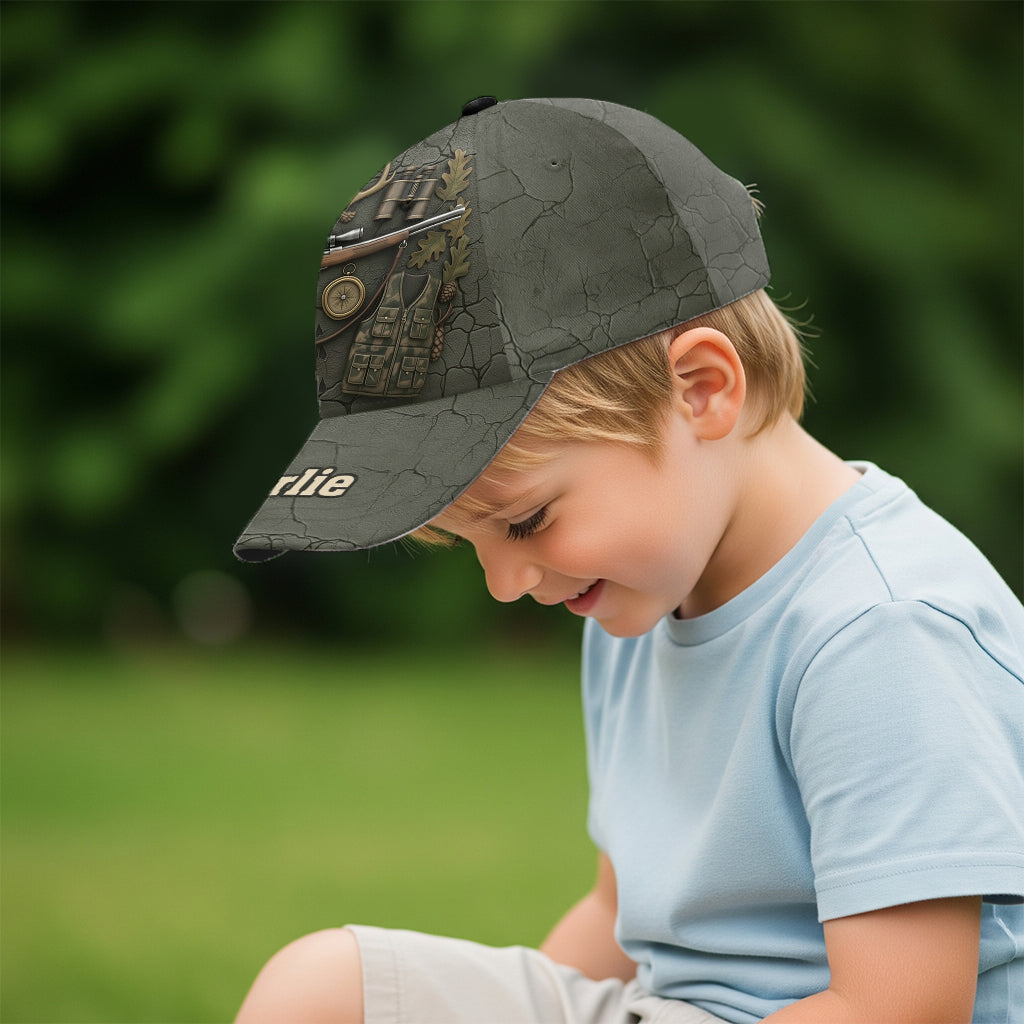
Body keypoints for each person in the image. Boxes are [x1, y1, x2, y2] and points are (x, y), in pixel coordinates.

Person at [232, 98, 1024, 1023]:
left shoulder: (881, 630)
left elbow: (899, 1008)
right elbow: (620, 915)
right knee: (323, 989)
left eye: (526, 522)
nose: (506, 585)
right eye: (472, 542)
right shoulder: (636, 596)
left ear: (702, 391)